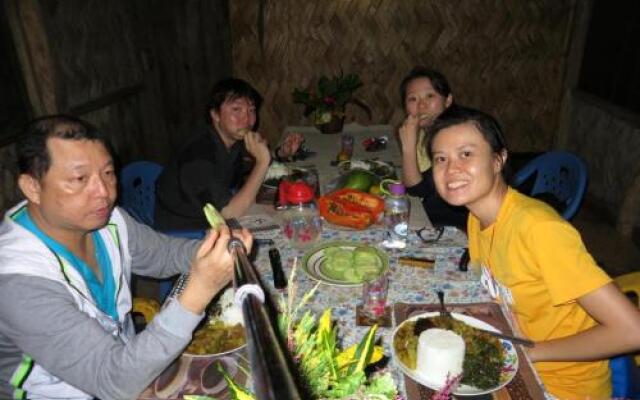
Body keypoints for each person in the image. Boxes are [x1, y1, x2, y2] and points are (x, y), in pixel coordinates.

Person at [0, 115, 252, 399]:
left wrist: (216, 248)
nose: (103, 193)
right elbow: (112, 381)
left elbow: (164, 254)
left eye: (108, 174)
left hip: (130, 369)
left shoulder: (108, 221)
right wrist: (200, 289)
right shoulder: (17, 281)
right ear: (32, 187)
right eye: (79, 179)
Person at [427, 106, 640, 398]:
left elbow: (632, 331)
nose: (451, 169)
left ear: (498, 160)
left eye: (466, 154)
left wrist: (530, 352)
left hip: (564, 388)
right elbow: (506, 290)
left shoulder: (538, 229)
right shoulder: (476, 219)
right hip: (518, 364)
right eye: (441, 159)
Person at [155, 78, 303, 230]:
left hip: (214, 216)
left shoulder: (232, 140)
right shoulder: (198, 155)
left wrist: (280, 153)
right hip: (184, 233)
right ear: (215, 114)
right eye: (236, 109)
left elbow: (249, 162)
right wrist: (262, 162)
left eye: (251, 110)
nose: (246, 119)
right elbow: (230, 213)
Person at [397, 67, 468, 230]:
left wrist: (408, 146)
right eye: (412, 99)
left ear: (448, 100)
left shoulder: (455, 135)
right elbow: (413, 181)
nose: (421, 105)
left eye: (430, 96)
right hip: (431, 213)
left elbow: (418, 191)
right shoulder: (423, 131)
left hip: (459, 226)